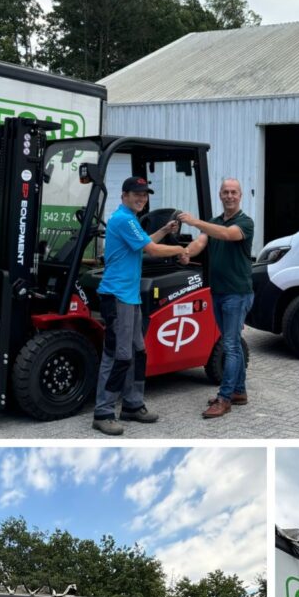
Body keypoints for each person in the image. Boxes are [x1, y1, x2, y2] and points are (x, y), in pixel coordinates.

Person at [93, 176, 187, 436]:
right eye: (136, 194)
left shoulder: (130, 219)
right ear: (124, 195)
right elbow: (154, 250)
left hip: (130, 297)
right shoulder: (122, 219)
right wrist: (180, 250)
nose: (141, 198)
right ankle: (103, 412)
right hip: (118, 297)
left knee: (138, 351)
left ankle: (132, 405)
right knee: (118, 355)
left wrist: (166, 231)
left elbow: (145, 242)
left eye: (144, 194)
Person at [175, 178, 255, 419]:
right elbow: (202, 240)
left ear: (240, 196)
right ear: (220, 195)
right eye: (225, 192)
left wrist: (193, 221)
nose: (229, 196)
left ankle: (225, 398)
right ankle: (239, 391)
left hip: (237, 293)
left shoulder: (245, 223)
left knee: (230, 345)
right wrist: (187, 252)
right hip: (218, 292)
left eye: (233, 192)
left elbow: (227, 234)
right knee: (232, 343)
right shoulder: (213, 222)